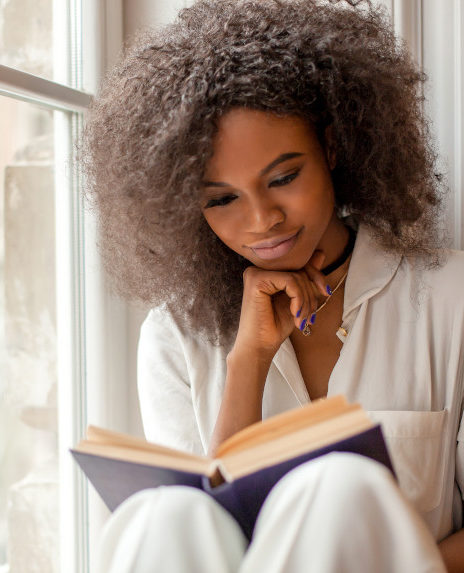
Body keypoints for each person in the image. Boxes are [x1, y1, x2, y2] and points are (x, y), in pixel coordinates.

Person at [80, 0, 464, 571]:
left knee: (336, 487)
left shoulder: (449, 299)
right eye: (222, 199)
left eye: (283, 178)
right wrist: (248, 360)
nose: (262, 220)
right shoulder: (174, 334)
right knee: (163, 514)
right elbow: (206, 538)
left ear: (331, 149)